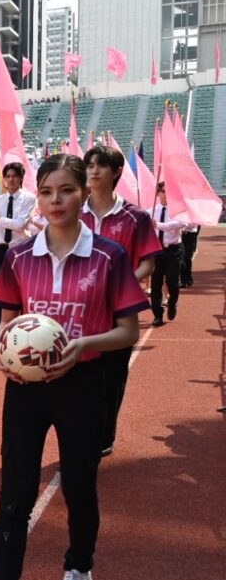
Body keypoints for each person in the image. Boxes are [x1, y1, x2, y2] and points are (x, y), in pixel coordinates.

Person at [0, 154, 146, 580]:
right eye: (48, 191)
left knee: (79, 485)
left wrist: (82, 347)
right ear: (38, 195)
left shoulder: (109, 256)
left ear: (84, 193)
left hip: (82, 387)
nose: (57, 201)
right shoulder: (17, 256)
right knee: (14, 497)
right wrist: (5, 349)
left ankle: (79, 568)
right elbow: (4, 322)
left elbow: (127, 331)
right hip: (27, 390)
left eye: (68, 190)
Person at [80, 145, 161, 457]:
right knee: (79, 375)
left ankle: (104, 436)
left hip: (118, 309)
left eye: (101, 165)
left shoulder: (135, 217)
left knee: (112, 377)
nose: (93, 171)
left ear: (116, 172)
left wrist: (119, 285)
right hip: (81, 309)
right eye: (89, 165)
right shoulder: (75, 212)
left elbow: (148, 264)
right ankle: (81, 434)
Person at [0, 163, 36, 360]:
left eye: (15, 176)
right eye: (8, 176)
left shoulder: (29, 199)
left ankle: (23, 342)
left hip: (21, 250)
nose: (11, 179)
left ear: (21, 177)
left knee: (23, 297)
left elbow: (20, 224)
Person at [147, 183, 187, 327]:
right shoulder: (151, 211)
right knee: (156, 283)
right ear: (158, 193)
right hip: (157, 251)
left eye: (168, 191)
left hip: (174, 250)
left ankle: (172, 303)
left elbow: (179, 223)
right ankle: (157, 314)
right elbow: (138, 218)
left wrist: (157, 224)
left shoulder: (178, 211)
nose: (165, 194)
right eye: (163, 191)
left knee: (172, 282)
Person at [180, 224, 199, 288]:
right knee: (181, 258)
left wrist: (185, 226)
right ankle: (183, 280)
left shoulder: (193, 214)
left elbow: (194, 223)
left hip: (191, 235)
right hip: (180, 235)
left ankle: (188, 278)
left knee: (187, 258)